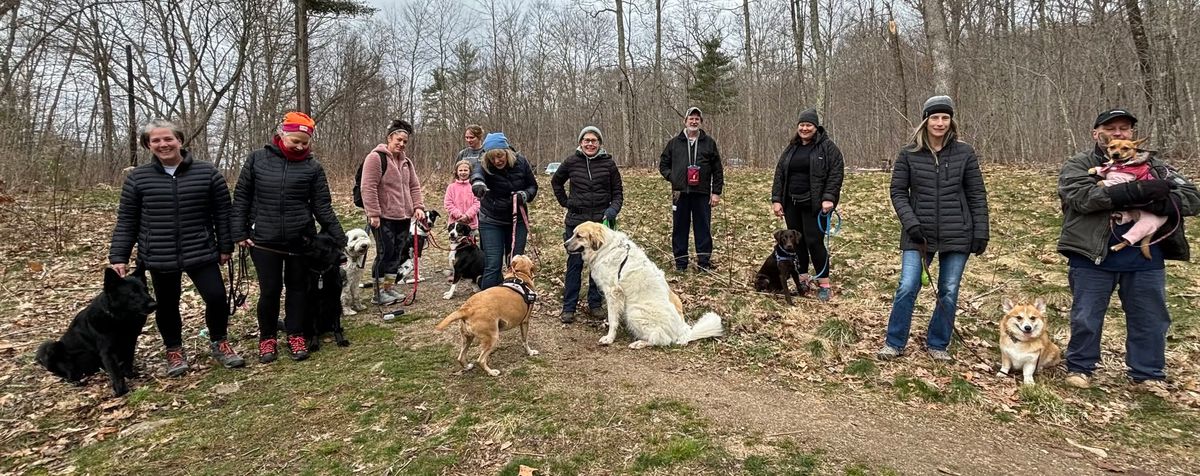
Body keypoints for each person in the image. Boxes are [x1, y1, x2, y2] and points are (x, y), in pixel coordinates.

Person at [1057, 108, 1199, 389]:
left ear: (1133, 136)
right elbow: (1080, 197)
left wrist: (1162, 203)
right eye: (1111, 129)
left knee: (1150, 318)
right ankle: (1080, 367)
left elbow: (1192, 197)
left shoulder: (1155, 166)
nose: (1118, 134)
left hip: (1145, 258)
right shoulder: (1079, 164)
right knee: (1086, 316)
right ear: (1096, 133)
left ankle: (1147, 374)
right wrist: (1132, 192)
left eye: (1125, 128)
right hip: (1092, 254)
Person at [109, 119, 244, 377]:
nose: (163, 144)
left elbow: (223, 213)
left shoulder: (207, 173)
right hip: (159, 255)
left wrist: (225, 246)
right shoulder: (138, 179)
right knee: (167, 305)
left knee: (216, 297)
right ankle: (174, 350)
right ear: (148, 145)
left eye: (168, 139)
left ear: (180, 140)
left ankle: (220, 342)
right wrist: (119, 256)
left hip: (201, 250)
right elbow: (127, 220)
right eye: (155, 140)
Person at [876, 95, 989, 362]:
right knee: (907, 286)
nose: (940, 123)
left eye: (945, 118)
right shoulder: (908, 153)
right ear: (925, 121)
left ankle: (938, 344)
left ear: (951, 122)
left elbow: (976, 194)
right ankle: (894, 342)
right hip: (918, 234)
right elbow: (898, 192)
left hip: (957, 232)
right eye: (935, 117)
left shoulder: (965, 153)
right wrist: (911, 222)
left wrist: (981, 230)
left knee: (948, 291)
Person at [232, 112, 345, 363]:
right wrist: (238, 231)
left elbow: (322, 206)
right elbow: (242, 196)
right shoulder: (257, 160)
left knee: (298, 290)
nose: (300, 146)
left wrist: (339, 237)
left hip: (300, 241)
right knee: (269, 290)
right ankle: (267, 338)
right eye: (295, 140)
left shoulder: (313, 168)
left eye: (305, 142)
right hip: (263, 240)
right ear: (282, 135)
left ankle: (295, 334)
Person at [769, 108, 845, 301]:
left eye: (808, 125)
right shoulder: (791, 147)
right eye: (801, 125)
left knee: (814, 242)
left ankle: (824, 283)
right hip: (791, 202)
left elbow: (836, 174)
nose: (804, 128)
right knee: (796, 242)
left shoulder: (827, 148)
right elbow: (780, 174)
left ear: (815, 127)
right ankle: (802, 278)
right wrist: (777, 199)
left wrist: (829, 197)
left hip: (815, 204)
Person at [551, 126, 623, 323]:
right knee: (574, 264)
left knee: (598, 265)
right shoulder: (571, 161)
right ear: (581, 142)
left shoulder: (609, 164)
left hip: (600, 223)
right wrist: (565, 202)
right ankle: (569, 307)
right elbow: (556, 182)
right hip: (576, 221)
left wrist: (612, 210)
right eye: (586, 140)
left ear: (599, 143)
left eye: (594, 140)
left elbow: (618, 193)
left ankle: (595, 304)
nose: (590, 144)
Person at [362, 119, 427, 309]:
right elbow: (368, 187)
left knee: (397, 254)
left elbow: (413, 186)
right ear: (389, 138)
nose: (401, 144)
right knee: (385, 253)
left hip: (404, 216)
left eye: (405, 142)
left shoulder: (406, 162)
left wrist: (418, 206)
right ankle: (378, 292)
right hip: (383, 217)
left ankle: (389, 288)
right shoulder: (375, 158)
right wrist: (373, 213)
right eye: (398, 140)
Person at [658, 107, 724, 272]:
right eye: (691, 119)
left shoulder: (709, 142)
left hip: (702, 193)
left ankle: (703, 263)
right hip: (680, 193)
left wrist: (715, 192)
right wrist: (673, 177)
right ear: (685, 121)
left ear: (700, 122)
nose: (694, 122)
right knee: (680, 228)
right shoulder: (674, 143)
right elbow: (663, 164)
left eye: (697, 119)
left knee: (703, 228)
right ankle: (681, 262)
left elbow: (717, 169)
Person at [470, 132, 538, 289]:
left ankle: (513, 299)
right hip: (491, 221)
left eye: (500, 156)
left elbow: (532, 186)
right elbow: (477, 174)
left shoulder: (521, 162)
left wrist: (525, 194)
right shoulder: (484, 165)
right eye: (492, 157)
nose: (496, 161)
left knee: (515, 262)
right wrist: (478, 183)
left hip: (517, 220)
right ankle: (486, 304)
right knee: (493, 264)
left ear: (507, 152)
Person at [444, 159, 480, 232]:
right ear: (456, 172)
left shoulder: (474, 186)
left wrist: (467, 215)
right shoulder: (451, 187)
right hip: (455, 225)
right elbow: (448, 203)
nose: (463, 172)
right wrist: (459, 215)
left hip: (471, 224)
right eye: (460, 170)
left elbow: (477, 203)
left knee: (471, 243)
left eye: (465, 170)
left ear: (470, 172)